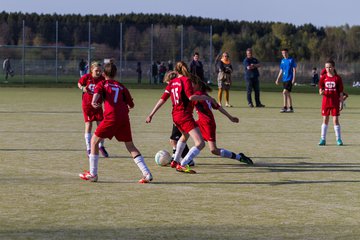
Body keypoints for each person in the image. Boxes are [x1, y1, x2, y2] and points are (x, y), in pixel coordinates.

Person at [79, 62, 153, 183]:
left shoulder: (102, 83)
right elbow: (131, 105)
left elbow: (96, 96)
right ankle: (147, 173)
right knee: (130, 146)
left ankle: (93, 174)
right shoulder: (122, 86)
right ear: (116, 74)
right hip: (124, 118)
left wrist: (94, 102)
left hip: (110, 117)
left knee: (94, 141)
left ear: (104, 74)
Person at [146, 63, 216, 174]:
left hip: (175, 116)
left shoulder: (172, 82)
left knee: (184, 136)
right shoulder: (186, 80)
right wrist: (206, 97)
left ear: (175, 70)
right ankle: (182, 164)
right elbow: (191, 97)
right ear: (186, 69)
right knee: (200, 143)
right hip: (184, 115)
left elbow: (162, 99)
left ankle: (175, 161)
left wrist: (151, 114)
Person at [192, 79, 253, 165]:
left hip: (208, 124)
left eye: (192, 84)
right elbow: (219, 107)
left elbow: (218, 107)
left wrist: (230, 117)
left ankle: (239, 157)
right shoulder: (205, 96)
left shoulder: (198, 95)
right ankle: (181, 157)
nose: (190, 86)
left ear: (198, 86)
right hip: (200, 122)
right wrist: (230, 117)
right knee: (185, 133)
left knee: (214, 150)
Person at [77, 61, 109, 158]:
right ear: (91, 70)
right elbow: (79, 83)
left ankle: (101, 146)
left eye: (100, 71)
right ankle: (89, 148)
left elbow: (105, 92)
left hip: (98, 106)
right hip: (87, 106)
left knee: (101, 126)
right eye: (96, 71)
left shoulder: (102, 79)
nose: (98, 72)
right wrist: (83, 88)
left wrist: (102, 101)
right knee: (89, 125)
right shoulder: (87, 77)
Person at [318, 59, 344, 146]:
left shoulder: (337, 78)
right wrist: (321, 92)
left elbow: (340, 92)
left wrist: (341, 103)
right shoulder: (323, 78)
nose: (328, 69)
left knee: (335, 120)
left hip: (335, 102)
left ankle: (338, 139)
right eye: (326, 67)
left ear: (333, 67)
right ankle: (323, 139)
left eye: (329, 67)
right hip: (326, 102)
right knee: (325, 120)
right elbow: (320, 90)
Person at [275, 48, 297, 113]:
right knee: (287, 93)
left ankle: (285, 107)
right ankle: (290, 108)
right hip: (284, 79)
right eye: (282, 53)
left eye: (285, 53)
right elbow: (281, 70)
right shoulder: (282, 61)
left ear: (287, 53)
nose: (284, 54)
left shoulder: (291, 60)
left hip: (289, 79)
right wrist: (277, 79)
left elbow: (294, 70)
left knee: (284, 92)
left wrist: (293, 79)